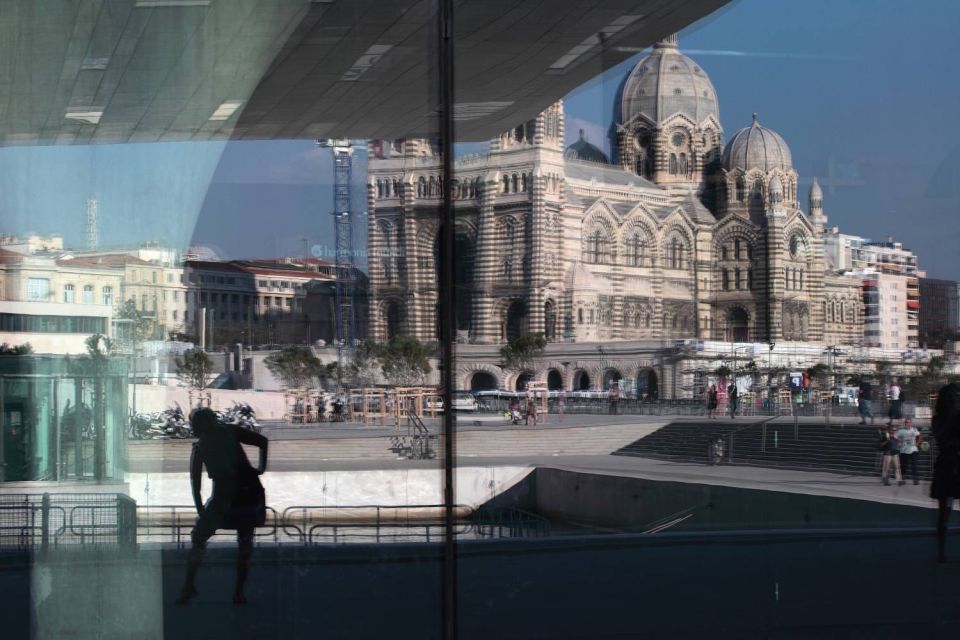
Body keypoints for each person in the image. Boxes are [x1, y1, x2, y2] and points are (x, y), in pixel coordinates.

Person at [177, 408, 269, 605]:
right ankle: (237, 593)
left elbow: (195, 484)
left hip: (229, 495)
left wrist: (202, 511)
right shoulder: (228, 432)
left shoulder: (201, 446)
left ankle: (190, 587)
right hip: (246, 492)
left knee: (201, 537)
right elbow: (263, 442)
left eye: (194, 423)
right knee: (244, 544)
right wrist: (260, 469)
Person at [931, 382, 960, 562]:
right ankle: (941, 552)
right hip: (953, 463)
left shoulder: (938, 419)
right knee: (943, 512)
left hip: (945, 465)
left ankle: (941, 551)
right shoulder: (954, 417)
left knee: (944, 512)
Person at [895, 418, 921, 486]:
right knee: (903, 466)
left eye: (909, 422)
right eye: (906, 422)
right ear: (905, 423)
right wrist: (899, 443)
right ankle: (902, 479)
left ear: (911, 423)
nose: (907, 424)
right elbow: (895, 437)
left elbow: (919, 435)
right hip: (904, 450)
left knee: (914, 465)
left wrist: (918, 443)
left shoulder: (914, 429)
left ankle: (915, 480)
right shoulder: (901, 431)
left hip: (913, 450)